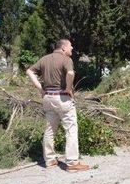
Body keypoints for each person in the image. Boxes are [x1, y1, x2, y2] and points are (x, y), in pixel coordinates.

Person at [26, 39, 90, 172]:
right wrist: (68, 88)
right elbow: (71, 73)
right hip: (62, 98)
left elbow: (29, 71)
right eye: (70, 46)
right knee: (71, 129)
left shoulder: (44, 59)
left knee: (50, 130)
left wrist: (40, 89)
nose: (72, 48)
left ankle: (49, 161)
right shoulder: (66, 59)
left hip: (48, 98)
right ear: (63, 48)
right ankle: (72, 163)